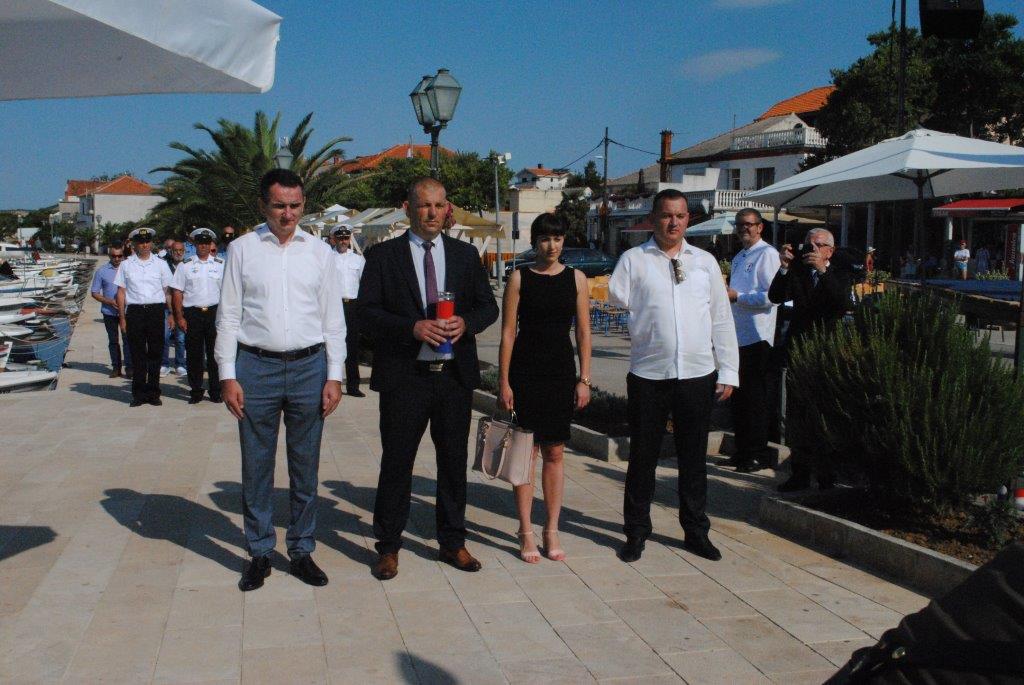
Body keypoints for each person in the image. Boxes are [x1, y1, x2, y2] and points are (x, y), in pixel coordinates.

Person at [359, 177, 499, 581]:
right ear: (408, 208)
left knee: (453, 463)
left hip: (453, 377)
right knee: (397, 463)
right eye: (424, 205)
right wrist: (412, 328)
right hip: (406, 377)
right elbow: (365, 313)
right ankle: (388, 546)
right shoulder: (383, 256)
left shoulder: (465, 255)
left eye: (439, 205)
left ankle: (453, 542)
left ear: (447, 208)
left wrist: (466, 323)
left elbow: (488, 307)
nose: (433, 213)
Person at [215, 169, 346, 592]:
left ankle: (302, 549)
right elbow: (228, 316)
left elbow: (333, 319)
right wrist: (227, 374)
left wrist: (335, 375)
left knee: (305, 465)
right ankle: (259, 551)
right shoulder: (242, 249)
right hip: (257, 367)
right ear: (263, 205)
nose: (288, 214)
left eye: (295, 206)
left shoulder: (320, 253)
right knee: (256, 465)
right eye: (279, 206)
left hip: (310, 367)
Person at [608, 188, 739, 564]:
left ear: (688, 219)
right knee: (642, 458)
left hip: (697, 374)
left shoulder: (705, 262)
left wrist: (729, 370)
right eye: (666, 215)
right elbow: (618, 300)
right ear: (654, 218)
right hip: (649, 374)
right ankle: (636, 532)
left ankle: (696, 531)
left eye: (680, 216)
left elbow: (720, 318)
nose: (673, 222)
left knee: (693, 458)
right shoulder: (634, 260)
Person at [498, 213, 592, 563]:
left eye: (557, 239)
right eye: (545, 239)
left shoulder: (577, 279)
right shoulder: (519, 277)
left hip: (560, 373)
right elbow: (508, 333)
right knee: (527, 454)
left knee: (555, 452)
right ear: (534, 242)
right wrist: (504, 381)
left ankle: (551, 529)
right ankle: (525, 530)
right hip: (525, 372)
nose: (551, 246)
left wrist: (584, 379)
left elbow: (583, 332)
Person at [768, 228, 852, 492]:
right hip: (799, 349)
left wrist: (823, 272)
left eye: (818, 245)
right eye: (808, 244)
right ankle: (800, 472)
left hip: (826, 352)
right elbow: (775, 296)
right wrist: (784, 268)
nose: (812, 249)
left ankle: (826, 474)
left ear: (830, 250)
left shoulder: (839, 273)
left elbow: (841, 302)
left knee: (825, 414)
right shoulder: (799, 271)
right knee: (797, 415)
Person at [726, 209, 780, 473]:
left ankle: (756, 453)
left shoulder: (767, 254)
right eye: (739, 225)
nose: (743, 229)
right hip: (737, 336)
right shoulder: (739, 256)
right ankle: (742, 451)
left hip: (758, 338)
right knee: (739, 399)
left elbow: (772, 297)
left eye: (748, 224)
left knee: (755, 400)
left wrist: (738, 297)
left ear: (760, 227)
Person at [115, 227, 173, 407]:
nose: (145, 245)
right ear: (134, 244)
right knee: (137, 354)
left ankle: (154, 393)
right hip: (135, 312)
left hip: (156, 311)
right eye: (141, 242)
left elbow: (168, 291)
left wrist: (171, 313)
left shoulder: (161, 264)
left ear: (152, 243)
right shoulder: (126, 265)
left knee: (156, 353)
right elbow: (121, 292)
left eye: (147, 241)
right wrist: (122, 318)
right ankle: (138, 394)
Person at [170, 228, 224, 404]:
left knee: (215, 354)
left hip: (214, 313)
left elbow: (228, 291)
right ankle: (196, 390)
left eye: (206, 243)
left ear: (211, 244)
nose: (203, 246)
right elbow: (177, 292)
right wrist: (179, 317)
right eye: (200, 243)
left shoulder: (220, 264)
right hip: (192, 313)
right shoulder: (185, 265)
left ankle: (216, 391)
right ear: (195, 245)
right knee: (194, 354)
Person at [331, 224, 366, 397]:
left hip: (353, 305)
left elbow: (364, 284)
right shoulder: (328, 258)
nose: (343, 241)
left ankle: (353, 386)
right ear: (334, 239)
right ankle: (331, 383)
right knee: (332, 345)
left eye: (346, 238)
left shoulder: (358, 260)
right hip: (334, 305)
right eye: (340, 238)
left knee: (352, 346)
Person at [90, 245, 132, 378]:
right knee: (113, 341)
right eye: (114, 256)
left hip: (127, 311)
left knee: (128, 340)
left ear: (123, 256)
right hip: (109, 312)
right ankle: (116, 367)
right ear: (109, 256)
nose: (117, 259)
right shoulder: (101, 271)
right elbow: (94, 292)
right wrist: (109, 301)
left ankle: (130, 368)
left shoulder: (129, 269)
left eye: (120, 256)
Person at [162, 240, 187, 377]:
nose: (178, 253)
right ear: (170, 251)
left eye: (181, 250)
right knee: (165, 336)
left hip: (183, 308)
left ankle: (180, 365)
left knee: (181, 338)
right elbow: (166, 290)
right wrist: (171, 312)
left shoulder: (188, 265)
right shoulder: (164, 266)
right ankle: (164, 364)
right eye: (175, 250)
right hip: (167, 308)